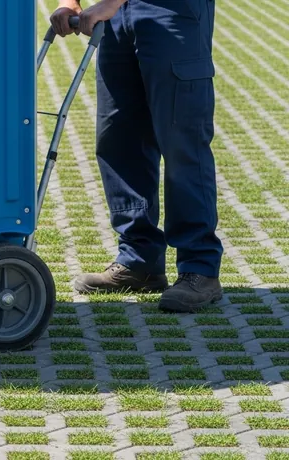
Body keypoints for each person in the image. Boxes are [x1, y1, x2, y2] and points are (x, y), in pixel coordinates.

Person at [50, 0, 223, 313]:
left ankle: (200, 268)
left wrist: (109, 4)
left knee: (182, 143)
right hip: (116, 17)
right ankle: (139, 261)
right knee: (119, 139)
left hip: (172, 12)